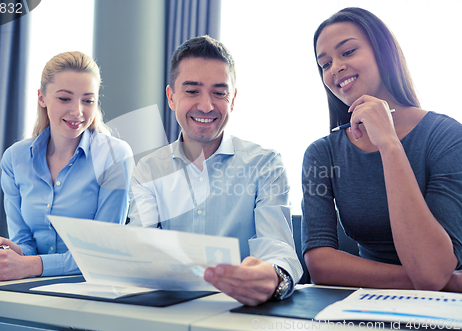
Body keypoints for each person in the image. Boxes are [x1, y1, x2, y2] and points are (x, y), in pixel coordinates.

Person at [128, 35, 303, 306]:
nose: (206, 106)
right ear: (172, 97)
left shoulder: (265, 164)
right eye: (192, 91)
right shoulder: (149, 170)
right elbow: (141, 249)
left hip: (240, 314)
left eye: (219, 93)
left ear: (232, 99)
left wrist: (273, 278)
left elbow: (277, 249)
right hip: (166, 314)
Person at [302, 7, 462, 291]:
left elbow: (433, 266)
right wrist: (443, 282)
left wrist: (389, 144)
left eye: (348, 52)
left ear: (383, 53)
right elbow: (320, 264)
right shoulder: (321, 153)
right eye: (324, 64)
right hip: (368, 304)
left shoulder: (447, 136)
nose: (335, 67)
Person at [0, 51, 134, 280]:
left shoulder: (114, 156)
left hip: (91, 289)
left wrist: (31, 266)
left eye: (87, 100)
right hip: (31, 287)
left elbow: (101, 252)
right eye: (64, 98)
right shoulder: (15, 159)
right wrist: (8, 255)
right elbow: (25, 244)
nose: (77, 111)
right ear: (42, 98)